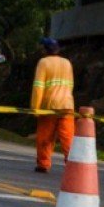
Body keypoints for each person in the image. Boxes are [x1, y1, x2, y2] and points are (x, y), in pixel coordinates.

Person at [30, 36, 76, 173]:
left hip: (49, 106)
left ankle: (43, 164)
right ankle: (73, 164)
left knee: (45, 137)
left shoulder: (43, 62)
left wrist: (35, 108)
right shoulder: (67, 62)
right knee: (68, 137)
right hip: (67, 104)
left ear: (45, 49)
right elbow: (71, 85)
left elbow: (38, 87)